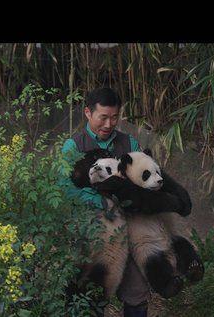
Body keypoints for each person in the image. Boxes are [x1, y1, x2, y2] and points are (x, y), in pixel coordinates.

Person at [61, 87, 150, 317]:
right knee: (91, 291)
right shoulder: (74, 146)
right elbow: (65, 188)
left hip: (126, 230)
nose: (109, 124)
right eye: (103, 117)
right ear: (88, 113)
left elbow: (144, 177)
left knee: (137, 290)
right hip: (88, 234)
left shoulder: (129, 144)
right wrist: (100, 201)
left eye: (114, 117)